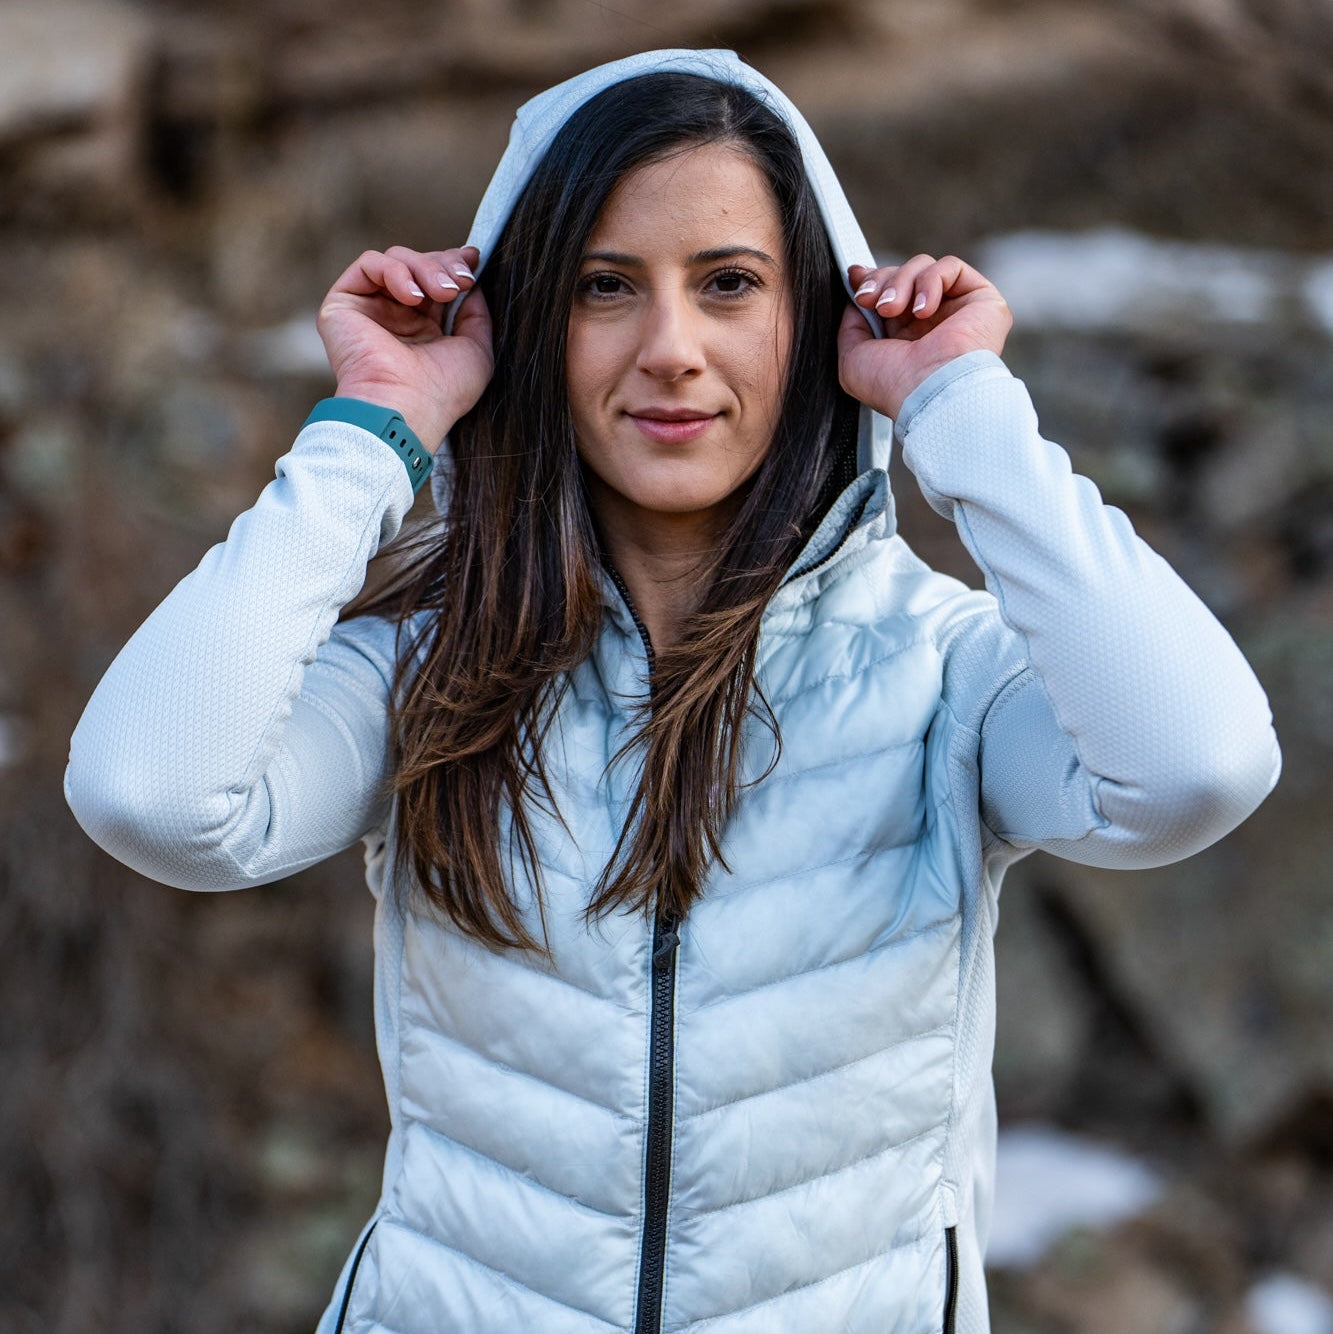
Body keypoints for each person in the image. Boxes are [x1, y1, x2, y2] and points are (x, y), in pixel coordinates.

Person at [64, 48, 1280, 1334]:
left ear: (817, 315)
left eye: (728, 284)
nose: (670, 350)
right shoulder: (433, 670)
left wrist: (959, 409)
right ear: (528, 323)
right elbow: (153, 795)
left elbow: (1192, 766)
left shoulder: (943, 673)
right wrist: (377, 426)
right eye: (604, 287)